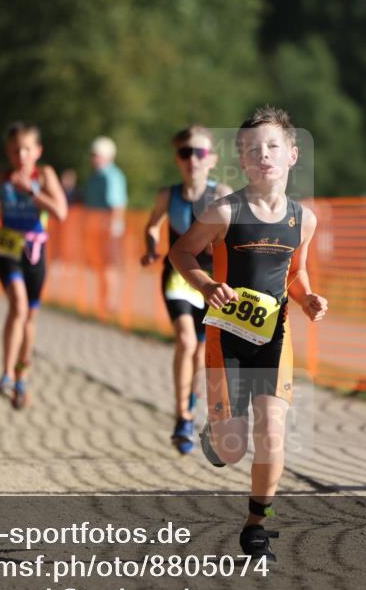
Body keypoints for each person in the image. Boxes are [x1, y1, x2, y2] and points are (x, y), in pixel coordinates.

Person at [169, 107, 328, 560]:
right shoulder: (224, 211)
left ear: (292, 154)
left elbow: (295, 273)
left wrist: (307, 298)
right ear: (242, 159)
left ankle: (257, 526)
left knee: (273, 430)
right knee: (232, 449)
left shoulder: (304, 220)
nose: (264, 156)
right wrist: (206, 285)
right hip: (227, 339)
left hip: (275, 338)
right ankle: (217, 434)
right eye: (253, 150)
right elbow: (181, 253)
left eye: (273, 147)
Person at [141, 126, 233, 454]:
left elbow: (236, 233)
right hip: (178, 277)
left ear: (212, 159)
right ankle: (182, 416)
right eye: (185, 153)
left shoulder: (221, 194)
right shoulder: (167, 196)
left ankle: (192, 405)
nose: (192, 159)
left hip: (211, 283)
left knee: (199, 352)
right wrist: (151, 246)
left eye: (199, 152)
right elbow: (153, 224)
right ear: (177, 160)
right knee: (186, 340)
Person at [0, 122, 68, 410]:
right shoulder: (1, 176)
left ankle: (22, 376)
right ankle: (7, 373)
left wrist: (32, 190)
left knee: (30, 318)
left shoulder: (44, 175)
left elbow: (60, 212)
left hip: (35, 250)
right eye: (14, 150)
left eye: (26, 149)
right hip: (8, 246)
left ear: (37, 151)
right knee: (18, 307)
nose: (20, 155)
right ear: (8, 153)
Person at [84, 136, 127, 318]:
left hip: (108, 231)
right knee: (99, 267)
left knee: (109, 267)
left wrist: (113, 230)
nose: (93, 159)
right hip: (95, 229)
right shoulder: (95, 177)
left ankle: (110, 304)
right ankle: (102, 303)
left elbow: (116, 206)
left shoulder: (112, 177)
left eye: (97, 155)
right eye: (92, 155)